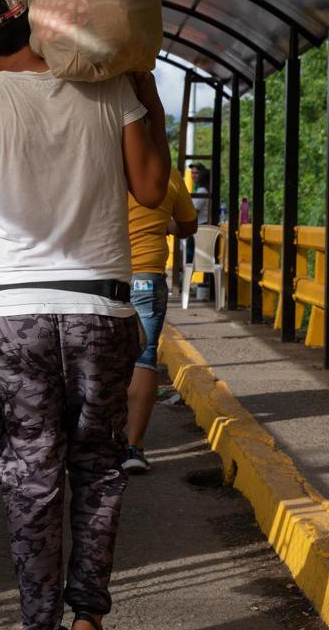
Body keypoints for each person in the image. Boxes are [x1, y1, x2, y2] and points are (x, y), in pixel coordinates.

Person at [0, 0, 170, 630]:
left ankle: (39, 619)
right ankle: (88, 616)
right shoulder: (107, 88)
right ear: (35, 25)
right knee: (99, 466)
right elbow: (152, 187)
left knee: (31, 471)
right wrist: (148, 93)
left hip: (17, 317)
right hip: (103, 312)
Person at [123, 175, 198, 473]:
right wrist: (165, 223)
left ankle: (100, 441)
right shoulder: (166, 172)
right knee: (144, 356)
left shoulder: (102, 158)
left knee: (99, 356)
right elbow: (189, 226)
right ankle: (133, 448)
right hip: (146, 277)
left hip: (104, 273)